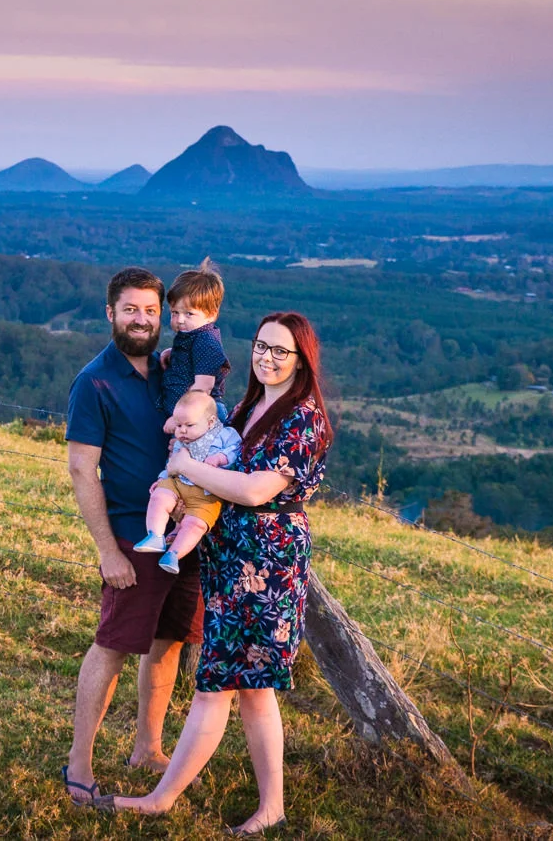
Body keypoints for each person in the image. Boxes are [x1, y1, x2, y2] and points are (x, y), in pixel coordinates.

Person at [104, 312, 332, 835]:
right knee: (250, 687)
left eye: (280, 351)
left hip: (267, 567)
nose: (267, 358)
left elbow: (254, 490)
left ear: (302, 359)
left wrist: (184, 469)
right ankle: (270, 808)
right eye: (260, 346)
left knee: (219, 685)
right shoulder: (253, 405)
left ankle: (162, 800)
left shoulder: (303, 417)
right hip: (230, 558)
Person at [60, 267, 204, 806]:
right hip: (132, 540)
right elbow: (81, 470)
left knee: (167, 642)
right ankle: (78, 764)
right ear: (110, 314)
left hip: (184, 538)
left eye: (150, 311)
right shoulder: (94, 381)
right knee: (114, 645)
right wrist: (105, 551)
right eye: (130, 310)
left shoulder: (170, 373)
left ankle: (147, 746)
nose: (142, 320)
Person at [134, 390, 241, 574]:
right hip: (178, 483)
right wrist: (162, 477)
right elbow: (172, 463)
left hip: (208, 494)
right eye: (178, 425)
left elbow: (237, 449)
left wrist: (221, 458)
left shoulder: (225, 434)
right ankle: (155, 535)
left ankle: (174, 554)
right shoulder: (181, 442)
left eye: (189, 425)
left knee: (196, 525)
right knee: (159, 497)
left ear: (211, 422)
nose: (182, 430)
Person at [160, 260, 231, 420]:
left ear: (211, 314)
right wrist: (174, 353)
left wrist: (179, 419)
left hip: (201, 416)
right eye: (174, 312)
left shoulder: (206, 342)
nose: (180, 320)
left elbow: (203, 388)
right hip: (189, 418)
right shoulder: (193, 337)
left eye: (189, 314)